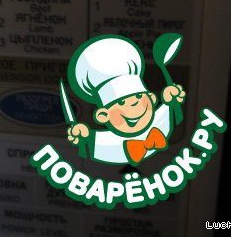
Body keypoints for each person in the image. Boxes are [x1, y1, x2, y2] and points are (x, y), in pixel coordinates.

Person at [66, 35, 185, 166]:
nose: (134, 105)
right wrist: (83, 136)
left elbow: (170, 112)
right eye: (122, 102)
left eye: (138, 97)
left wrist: (171, 100)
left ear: (151, 98)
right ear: (103, 115)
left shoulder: (159, 122)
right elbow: (89, 142)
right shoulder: (108, 142)